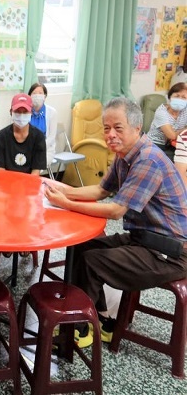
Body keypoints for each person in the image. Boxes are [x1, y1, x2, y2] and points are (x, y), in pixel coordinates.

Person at [44, 97, 187, 348]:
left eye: (118, 128)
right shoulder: (124, 156)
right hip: (144, 239)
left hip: (170, 251)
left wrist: (65, 203)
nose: (110, 134)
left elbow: (115, 210)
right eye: (106, 128)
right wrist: (65, 190)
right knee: (82, 247)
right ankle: (101, 320)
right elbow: (101, 190)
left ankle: (78, 328)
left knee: (92, 261)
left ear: (137, 127)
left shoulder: (148, 159)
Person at [0, 93, 47, 175]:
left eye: (25, 112)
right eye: (17, 112)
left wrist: (28, 183)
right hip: (6, 179)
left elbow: (36, 170)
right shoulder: (2, 135)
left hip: (30, 181)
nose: (21, 115)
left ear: (31, 113)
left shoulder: (38, 137)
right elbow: (1, 168)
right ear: (11, 112)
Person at [146, 82, 187, 160]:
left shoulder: (185, 110)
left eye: (184, 97)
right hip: (155, 144)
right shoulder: (161, 112)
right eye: (177, 96)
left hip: (173, 144)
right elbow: (171, 135)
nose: (180, 99)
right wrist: (185, 129)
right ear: (170, 97)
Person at [28, 82, 58, 165]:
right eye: (34, 93)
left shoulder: (52, 112)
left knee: (36, 165)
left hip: (46, 149)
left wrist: (39, 147)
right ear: (29, 96)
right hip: (27, 148)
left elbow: (52, 136)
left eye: (40, 93)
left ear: (45, 96)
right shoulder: (25, 111)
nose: (37, 95)